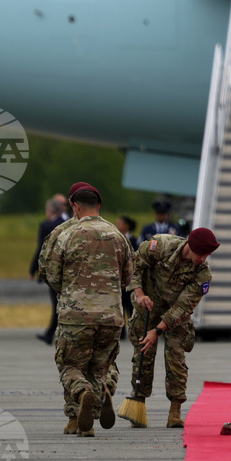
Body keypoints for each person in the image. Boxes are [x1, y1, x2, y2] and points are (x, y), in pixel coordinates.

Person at [41, 184, 133, 437]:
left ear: (75, 206)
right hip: (111, 317)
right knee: (101, 367)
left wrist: (70, 292)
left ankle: (83, 394)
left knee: (69, 364)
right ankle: (87, 418)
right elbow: (128, 276)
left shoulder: (66, 234)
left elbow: (51, 274)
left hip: (76, 315)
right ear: (99, 205)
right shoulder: (118, 235)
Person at [126, 227, 218, 429]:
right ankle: (138, 404)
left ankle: (175, 410)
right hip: (147, 307)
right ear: (190, 246)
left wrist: (157, 330)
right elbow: (134, 266)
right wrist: (139, 294)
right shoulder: (160, 246)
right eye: (201, 254)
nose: (203, 259)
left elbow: (183, 307)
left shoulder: (202, 273)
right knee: (143, 354)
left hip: (176, 317)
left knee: (176, 358)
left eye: (207, 255)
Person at [29, 197, 65, 345]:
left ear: (50, 211)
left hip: (53, 270)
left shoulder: (46, 225)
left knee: (57, 303)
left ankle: (51, 334)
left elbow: (41, 249)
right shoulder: (68, 223)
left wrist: (34, 269)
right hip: (68, 269)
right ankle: (51, 334)